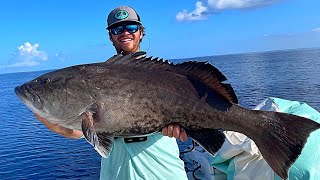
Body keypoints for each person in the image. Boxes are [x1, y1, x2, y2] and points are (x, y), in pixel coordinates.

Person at [35, 6, 188, 180]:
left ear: (141, 33)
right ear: (110, 36)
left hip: (163, 172)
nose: (125, 33)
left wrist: (179, 127)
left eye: (131, 27)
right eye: (117, 29)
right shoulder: (95, 80)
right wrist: (51, 120)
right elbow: (77, 132)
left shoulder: (165, 77)